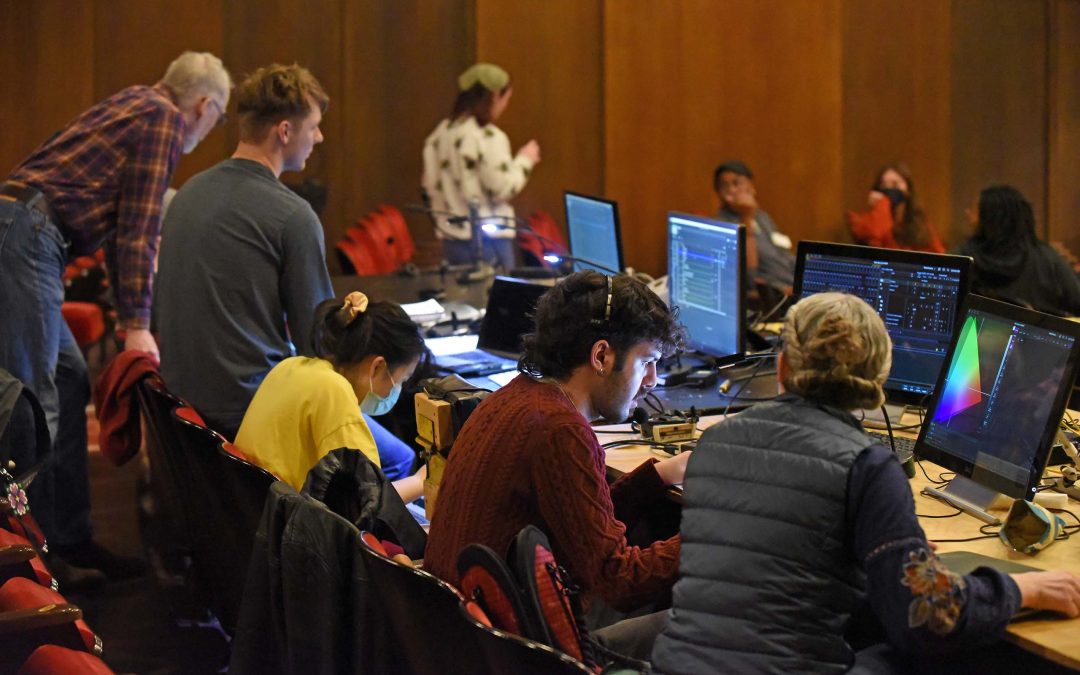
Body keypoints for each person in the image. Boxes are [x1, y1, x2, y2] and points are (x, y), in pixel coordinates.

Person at [651, 292, 1080, 674]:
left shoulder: (714, 442)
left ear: (782, 365)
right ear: (878, 382)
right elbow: (928, 617)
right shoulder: (867, 466)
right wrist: (1025, 587)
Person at [0, 51, 231, 583]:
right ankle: (27, 568)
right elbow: (137, 227)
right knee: (35, 407)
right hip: (27, 235)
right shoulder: (164, 120)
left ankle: (69, 542)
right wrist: (137, 324)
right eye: (216, 118)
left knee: (68, 379)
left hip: (24, 229)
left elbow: (117, 221)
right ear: (205, 106)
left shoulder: (135, 100)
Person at [424, 271, 689, 656]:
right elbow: (619, 580)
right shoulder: (559, 430)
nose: (652, 381)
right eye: (646, 361)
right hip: (522, 654)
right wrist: (717, 535)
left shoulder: (514, 398)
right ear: (601, 355)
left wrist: (658, 476)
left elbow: (575, 520)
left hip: (466, 642)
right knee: (710, 620)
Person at [235, 292, 426, 503]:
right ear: (377, 366)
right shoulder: (334, 391)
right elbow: (367, 505)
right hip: (286, 524)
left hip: (254, 507)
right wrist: (420, 482)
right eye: (401, 379)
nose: (397, 388)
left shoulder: (291, 367)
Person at [421, 62, 541, 271]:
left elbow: (428, 185)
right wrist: (525, 160)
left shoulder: (441, 132)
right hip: (489, 242)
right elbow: (501, 188)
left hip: (451, 240)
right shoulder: (487, 136)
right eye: (506, 99)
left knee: (461, 302)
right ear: (495, 96)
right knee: (495, 302)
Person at [958, 184, 1080, 317]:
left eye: (974, 209)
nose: (967, 213)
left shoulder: (964, 259)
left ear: (990, 216)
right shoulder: (1047, 258)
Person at [713, 160, 795, 290]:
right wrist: (746, 217)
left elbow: (782, 253)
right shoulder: (722, 224)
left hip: (791, 281)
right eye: (724, 186)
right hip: (772, 293)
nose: (731, 190)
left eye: (736, 183)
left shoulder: (761, 216)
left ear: (750, 185)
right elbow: (749, 277)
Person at [848, 162, 945, 253]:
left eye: (895, 184)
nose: (889, 189)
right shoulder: (865, 220)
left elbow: (939, 255)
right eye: (883, 185)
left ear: (908, 190)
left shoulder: (920, 223)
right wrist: (882, 204)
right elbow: (876, 233)